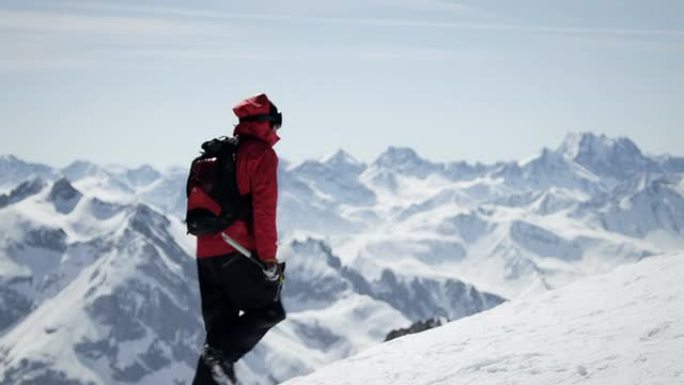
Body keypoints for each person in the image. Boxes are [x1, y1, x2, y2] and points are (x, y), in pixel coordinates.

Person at [192, 93, 286, 385]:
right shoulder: (260, 154)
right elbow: (264, 210)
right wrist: (268, 257)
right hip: (238, 250)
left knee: (218, 337)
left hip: (205, 252)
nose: (277, 131)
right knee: (269, 309)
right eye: (276, 123)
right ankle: (219, 360)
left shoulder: (217, 155)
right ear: (267, 123)